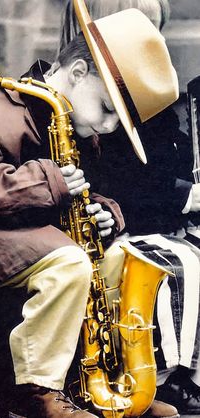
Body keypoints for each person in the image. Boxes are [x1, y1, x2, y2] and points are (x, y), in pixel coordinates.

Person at [0, 1, 179, 417]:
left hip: (29, 244)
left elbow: (77, 196)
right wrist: (49, 182)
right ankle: (36, 391)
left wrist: (104, 214)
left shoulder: (76, 126)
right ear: (78, 73)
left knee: (115, 258)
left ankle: (99, 383)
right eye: (108, 109)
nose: (109, 127)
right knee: (69, 262)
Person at [58, 0, 200, 415]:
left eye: (155, 36)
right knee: (181, 262)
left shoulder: (137, 107)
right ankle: (162, 375)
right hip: (125, 233)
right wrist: (186, 197)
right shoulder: (94, 107)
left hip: (136, 222)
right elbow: (120, 184)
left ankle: (177, 374)